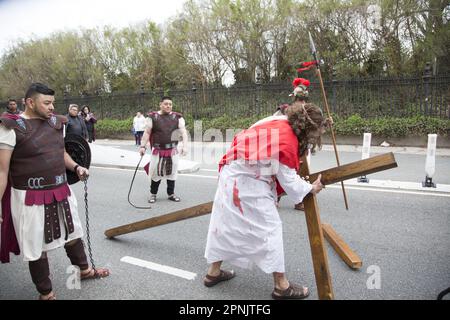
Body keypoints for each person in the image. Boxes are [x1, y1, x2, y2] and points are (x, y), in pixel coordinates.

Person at [203, 100, 331, 300]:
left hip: (231, 176)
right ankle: (281, 286)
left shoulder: (276, 119)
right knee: (270, 229)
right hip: (248, 184)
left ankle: (213, 272)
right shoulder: (287, 141)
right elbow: (289, 181)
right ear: (307, 129)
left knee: (224, 224)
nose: (314, 138)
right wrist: (311, 188)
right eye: (314, 134)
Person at [0, 83, 109, 300]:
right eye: (47, 103)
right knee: (36, 245)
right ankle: (46, 294)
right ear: (30, 102)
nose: (52, 107)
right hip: (29, 197)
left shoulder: (55, 123)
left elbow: (61, 153)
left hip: (61, 190)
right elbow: (2, 171)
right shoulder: (10, 127)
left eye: (53, 103)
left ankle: (84, 270)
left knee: (73, 232)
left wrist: (76, 167)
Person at [139, 96, 188, 203]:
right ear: (160, 104)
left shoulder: (177, 117)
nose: (168, 106)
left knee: (172, 173)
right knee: (155, 173)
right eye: (166, 104)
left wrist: (185, 146)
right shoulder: (153, 117)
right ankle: (153, 194)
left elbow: (183, 132)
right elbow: (147, 132)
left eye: (170, 104)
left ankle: (171, 194)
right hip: (157, 150)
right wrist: (142, 146)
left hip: (172, 150)